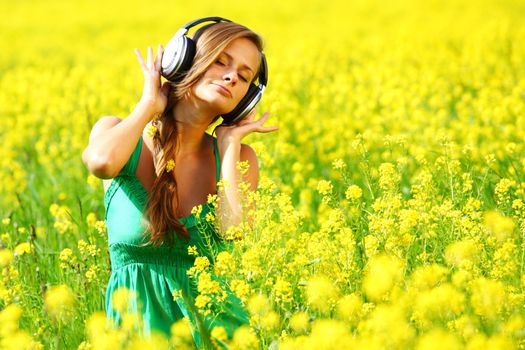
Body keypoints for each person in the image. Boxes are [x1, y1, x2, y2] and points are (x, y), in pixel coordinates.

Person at [81, 17, 278, 347]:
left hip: (217, 335)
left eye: (244, 77)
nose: (232, 76)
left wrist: (229, 145)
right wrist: (148, 105)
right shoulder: (118, 134)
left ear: (247, 98)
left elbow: (233, 229)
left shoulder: (239, 158)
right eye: (220, 61)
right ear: (183, 60)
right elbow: (101, 163)